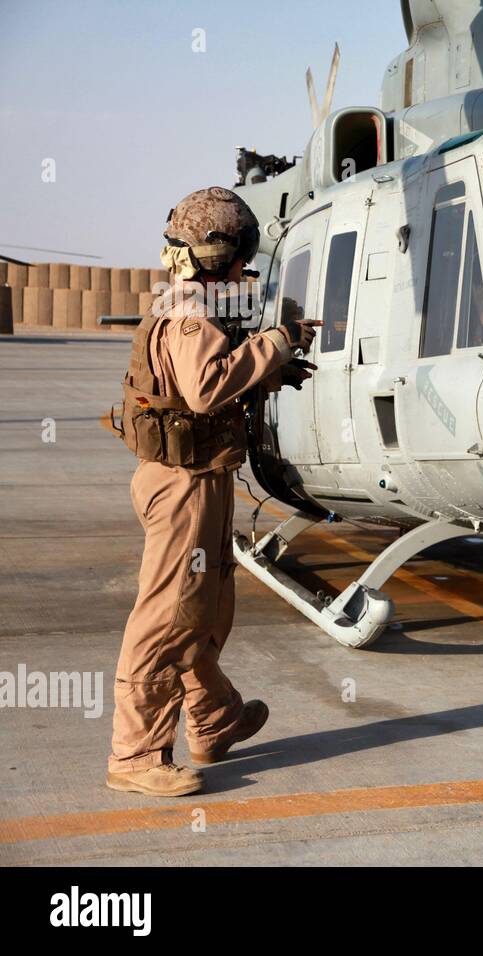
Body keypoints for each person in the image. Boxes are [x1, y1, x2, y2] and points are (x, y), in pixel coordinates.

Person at [107, 186, 319, 796]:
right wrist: (275, 342)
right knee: (170, 615)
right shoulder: (191, 312)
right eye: (237, 258)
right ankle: (135, 756)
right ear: (214, 255)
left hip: (200, 478)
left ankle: (212, 718)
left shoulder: (190, 301)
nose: (243, 270)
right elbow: (204, 387)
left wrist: (270, 371)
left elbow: (202, 391)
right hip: (183, 488)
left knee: (207, 605)